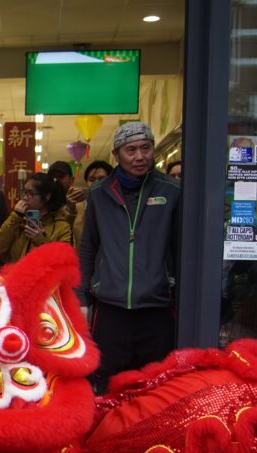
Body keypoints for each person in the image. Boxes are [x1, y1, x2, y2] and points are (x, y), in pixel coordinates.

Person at [78, 122, 181, 394]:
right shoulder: (99, 193)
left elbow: (180, 248)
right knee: (108, 385)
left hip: (157, 308)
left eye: (145, 148)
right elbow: (88, 247)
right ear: (116, 155)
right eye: (131, 150)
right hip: (110, 308)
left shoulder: (171, 190)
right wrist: (82, 298)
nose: (139, 156)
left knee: (156, 387)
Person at [0, 172, 72, 265]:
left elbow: (64, 263)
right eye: (24, 192)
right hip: (14, 272)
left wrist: (42, 242)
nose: (25, 198)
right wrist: (15, 216)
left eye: (30, 193)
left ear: (47, 197)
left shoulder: (62, 227)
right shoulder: (19, 220)